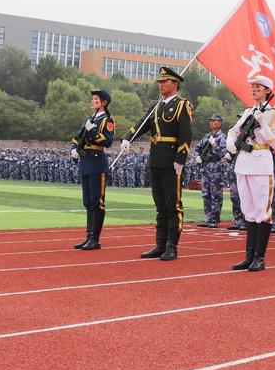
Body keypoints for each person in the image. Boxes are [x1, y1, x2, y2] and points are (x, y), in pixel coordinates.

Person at [120, 66, 193, 261]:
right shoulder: (156, 105)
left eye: (164, 82)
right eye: (160, 82)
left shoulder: (181, 105)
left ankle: (172, 246)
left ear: (174, 84)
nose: (160, 85)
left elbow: (186, 134)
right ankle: (160, 244)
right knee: (160, 205)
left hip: (171, 161)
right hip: (156, 160)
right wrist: (128, 137)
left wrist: (181, 159)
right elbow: (142, 123)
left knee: (173, 205)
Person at [226, 75, 275, 272]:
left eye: (258, 87)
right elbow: (233, 131)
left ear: (268, 90)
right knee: (248, 212)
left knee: (262, 213)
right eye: (252, 86)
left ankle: (260, 257)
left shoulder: (274, 113)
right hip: (243, 163)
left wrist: (264, 124)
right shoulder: (247, 111)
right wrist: (230, 143)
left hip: (261, 164)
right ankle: (249, 256)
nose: (254, 89)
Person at [70, 90, 115, 250]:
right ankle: (88, 236)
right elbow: (77, 136)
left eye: (96, 99)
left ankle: (95, 239)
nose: (92, 101)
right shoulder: (88, 119)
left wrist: (93, 130)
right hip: (85, 161)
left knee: (97, 202)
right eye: (92, 99)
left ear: (104, 103)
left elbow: (108, 141)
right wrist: (74, 148)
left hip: (97, 162)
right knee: (88, 201)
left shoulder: (107, 120)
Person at [194, 114, 228, 228]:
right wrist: (197, 156)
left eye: (214, 121)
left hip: (216, 168)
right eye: (210, 121)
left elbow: (222, 153)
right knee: (206, 194)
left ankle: (214, 219)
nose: (211, 122)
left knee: (216, 194)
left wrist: (214, 146)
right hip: (205, 168)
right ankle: (208, 219)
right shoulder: (206, 136)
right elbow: (197, 148)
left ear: (219, 123)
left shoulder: (222, 137)